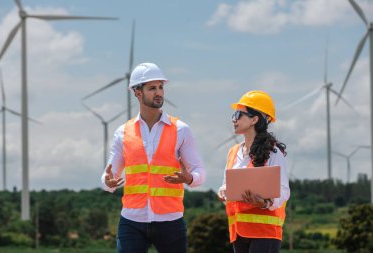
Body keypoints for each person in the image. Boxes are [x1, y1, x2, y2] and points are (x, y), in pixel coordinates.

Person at [101, 62, 206, 253]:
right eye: (152, 88)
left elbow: (200, 173)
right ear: (137, 92)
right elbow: (108, 177)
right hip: (131, 221)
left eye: (161, 87)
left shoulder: (181, 130)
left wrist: (189, 178)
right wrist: (108, 182)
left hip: (170, 221)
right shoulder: (122, 133)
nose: (159, 93)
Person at [217, 90, 290, 253]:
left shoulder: (273, 152)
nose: (233, 119)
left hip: (265, 233)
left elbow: (284, 191)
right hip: (239, 232)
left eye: (238, 114)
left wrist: (265, 203)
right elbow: (226, 185)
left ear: (254, 119)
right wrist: (223, 192)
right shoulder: (233, 152)